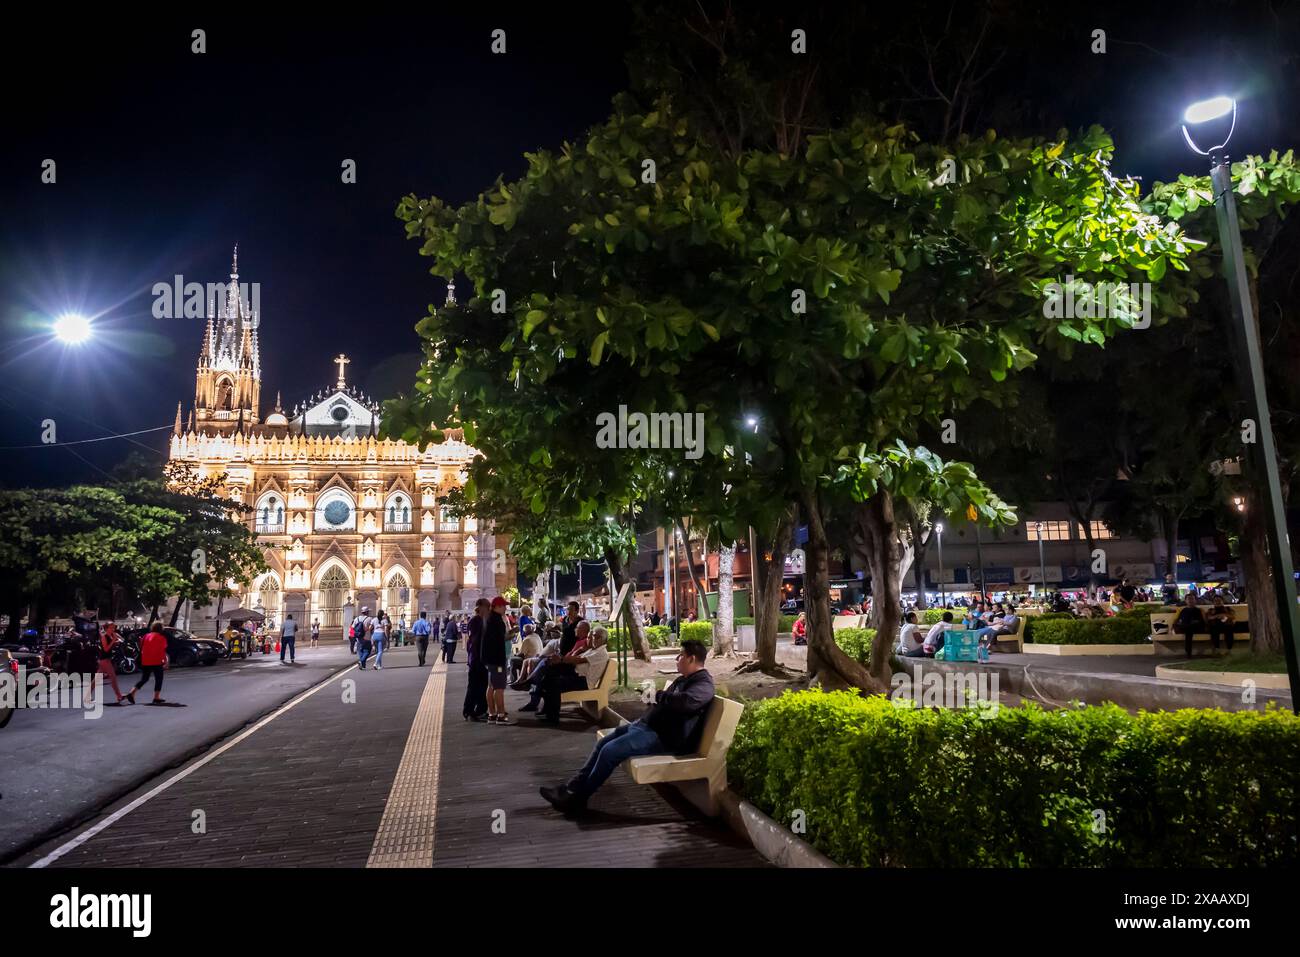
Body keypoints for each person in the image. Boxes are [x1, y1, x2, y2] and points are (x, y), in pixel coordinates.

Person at [540, 639, 715, 814]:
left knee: (610, 751)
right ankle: (571, 789)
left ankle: (578, 799)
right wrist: (650, 697)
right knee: (602, 744)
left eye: (681, 655)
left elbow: (686, 702)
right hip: (646, 726)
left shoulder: (703, 684)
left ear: (692, 659)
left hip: (662, 737)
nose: (677, 658)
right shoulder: (684, 679)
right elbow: (669, 702)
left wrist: (658, 695)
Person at [538, 626, 611, 723]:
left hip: (584, 681)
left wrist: (561, 659)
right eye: (593, 636)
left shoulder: (601, 653)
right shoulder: (593, 650)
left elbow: (578, 660)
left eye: (597, 637)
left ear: (603, 639)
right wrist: (577, 652)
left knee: (553, 683)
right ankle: (547, 709)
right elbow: (574, 658)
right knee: (547, 677)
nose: (594, 639)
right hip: (577, 675)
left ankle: (552, 718)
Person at [125, 621, 169, 705]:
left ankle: (132, 692)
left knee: (144, 678)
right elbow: (162, 651)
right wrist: (165, 661)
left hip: (146, 660)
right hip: (156, 661)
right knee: (159, 678)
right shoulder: (161, 638)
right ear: (161, 628)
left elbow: (141, 646)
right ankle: (156, 697)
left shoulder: (145, 636)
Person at [484, 596, 512, 724]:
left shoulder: (489, 619)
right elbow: (500, 639)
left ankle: (492, 713)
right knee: (499, 687)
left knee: (491, 685)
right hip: (497, 659)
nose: (505, 608)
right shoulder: (497, 621)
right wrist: (510, 635)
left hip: (489, 659)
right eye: (504, 606)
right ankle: (501, 715)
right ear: (498, 607)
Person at [464, 599, 490, 721]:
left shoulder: (480, 620)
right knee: (475, 686)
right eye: (487, 607)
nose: (488, 609)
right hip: (477, 659)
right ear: (480, 607)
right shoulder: (476, 621)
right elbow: (476, 641)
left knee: (481, 685)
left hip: (478, 659)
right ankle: (470, 711)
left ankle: (479, 710)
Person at [93, 622, 125, 705]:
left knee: (96, 680)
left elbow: (122, 640)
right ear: (106, 628)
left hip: (106, 659)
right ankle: (119, 696)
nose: (113, 629)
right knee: (113, 678)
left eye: (114, 627)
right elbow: (106, 649)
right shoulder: (104, 637)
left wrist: (116, 640)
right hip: (104, 660)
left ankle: (86, 697)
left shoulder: (112, 635)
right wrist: (113, 641)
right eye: (111, 627)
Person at [1174, 593, 1206, 658]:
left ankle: (1188, 652)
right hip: (1185, 627)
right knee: (1188, 630)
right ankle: (1188, 652)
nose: (1191, 600)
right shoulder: (1182, 610)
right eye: (1189, 599)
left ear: (1195, 600)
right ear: (1185, 601)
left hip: (1197, 628)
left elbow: (1204, 621)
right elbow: (1176, 620)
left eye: (1192, 599)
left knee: (1189, 630)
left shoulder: (1200, 610)